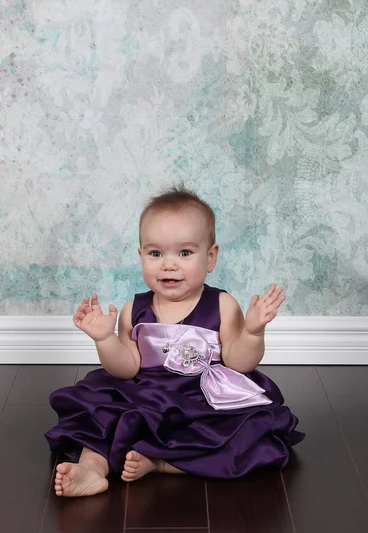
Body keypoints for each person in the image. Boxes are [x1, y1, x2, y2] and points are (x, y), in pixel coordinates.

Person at [45, 184, 305, 497]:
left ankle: (163, 464)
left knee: (239, 434)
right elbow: (126, 368)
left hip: (202, 398)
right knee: (103, 412)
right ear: (140, 255)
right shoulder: (133, 310)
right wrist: (105, 339)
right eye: (156, 253)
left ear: (210, 257)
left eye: (185, 253)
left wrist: (252, 332)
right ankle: (93, 468)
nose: (169, 264)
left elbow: (239, 362)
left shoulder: (222, 305)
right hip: (146, 394)